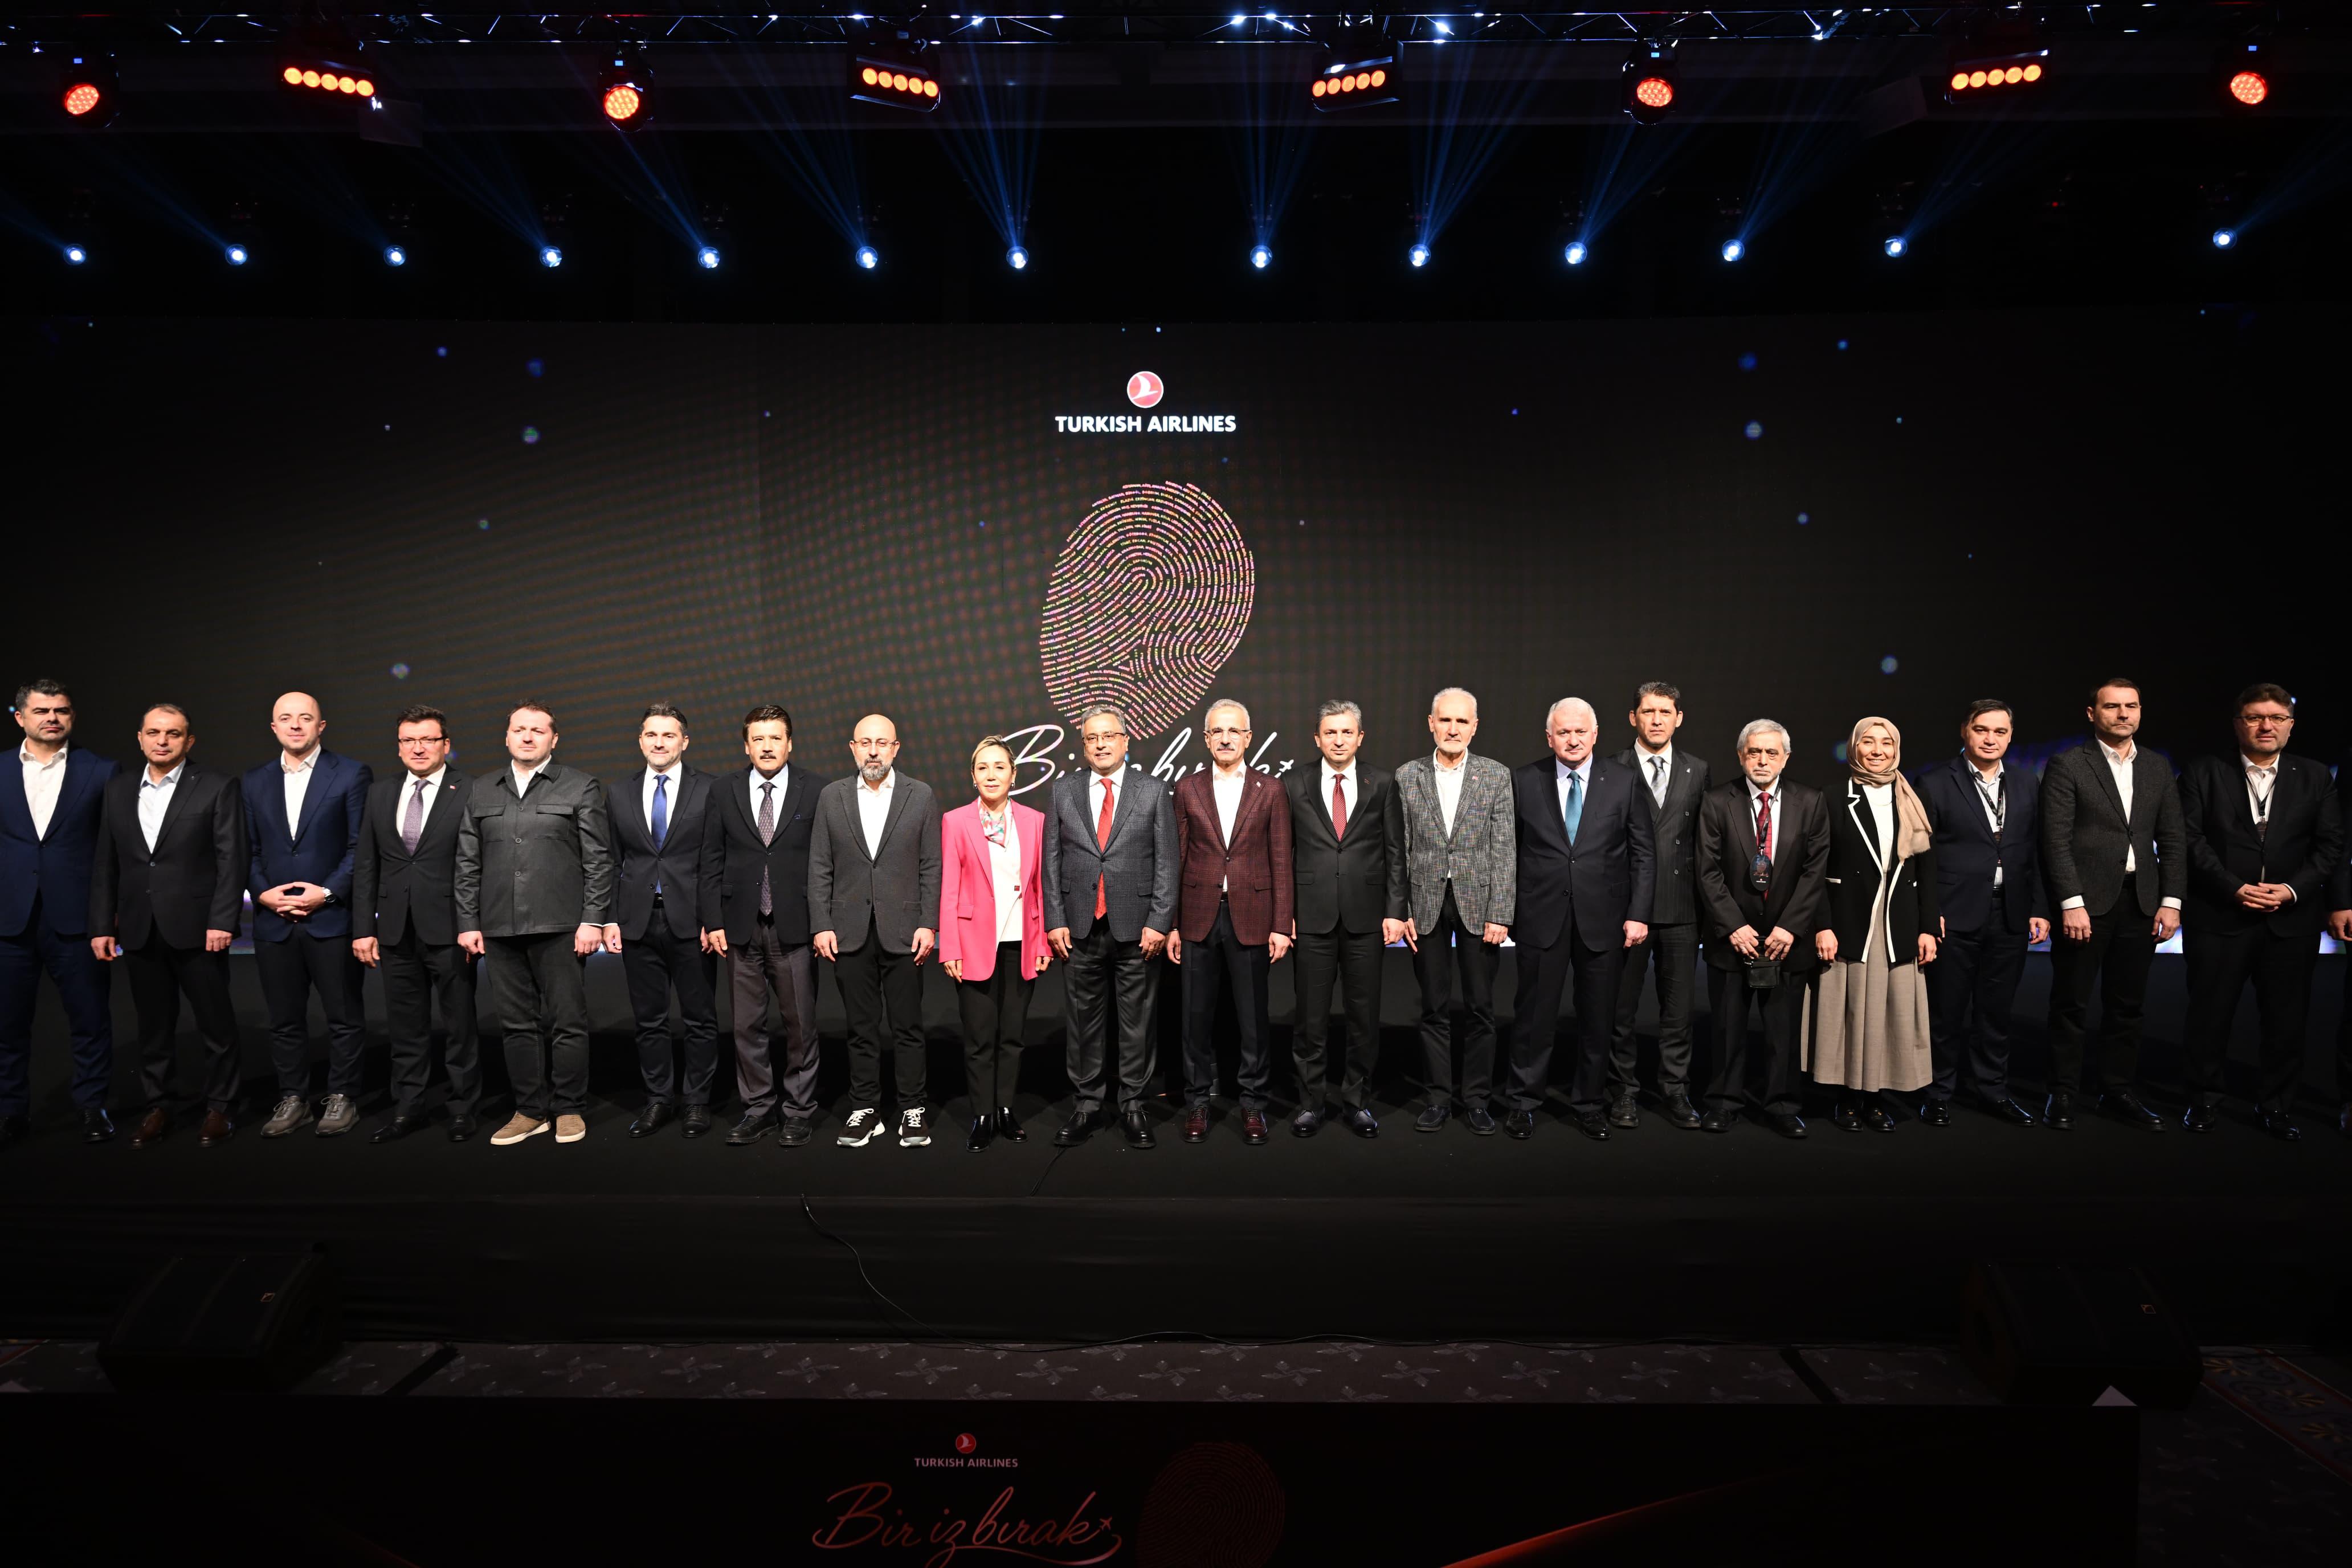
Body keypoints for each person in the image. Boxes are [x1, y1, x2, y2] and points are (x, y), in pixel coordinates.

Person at [2178, 684, 2343, 1141]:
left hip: (2291, 920)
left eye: (2276, 718)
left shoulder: (2315, 776)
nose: (2266, 726)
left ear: (2291, 726)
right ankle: (2203, 1100)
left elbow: (2330, 845)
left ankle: (2276, 1106)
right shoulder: (2204, 771)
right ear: (2238, 725)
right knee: (2209, 1016)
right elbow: (2189, 839)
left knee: (2286, 1022)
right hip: (2218, 915)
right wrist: (2233, 887)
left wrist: (2291, 890)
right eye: (2254, 717)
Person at [455, 701, 613, 1148]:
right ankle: (529, 1110)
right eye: (520, 729)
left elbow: (599, 860)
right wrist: (468, 921)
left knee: (567, 1023)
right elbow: (467, 862)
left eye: (538, 730)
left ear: (554, 739)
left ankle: (569, 1108)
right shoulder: (481, 789)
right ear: (507, 736)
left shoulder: (580, 786)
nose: (527, 737)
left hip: (561, 926)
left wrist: (593, 920)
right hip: (499, 928)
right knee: (516, 1026)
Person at [90, 704, 247, 1148]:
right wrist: (101, 924)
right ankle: (159, 1105)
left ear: (188, 741)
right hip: (139, 926)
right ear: (140, 738)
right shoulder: (118, 789)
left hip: (199, 928)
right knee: (154, 1028)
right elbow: (106, 862)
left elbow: (232, 859)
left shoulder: (217, 785)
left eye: (173, 734)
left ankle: (221, 1107)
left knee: (216, 1025)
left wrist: (223, 919)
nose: (163, 741)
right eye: (154, 733)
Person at [2038, 677, 2186, 1132]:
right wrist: (2071, 902)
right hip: (2085, 905)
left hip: (2141, 903)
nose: (2123, 714)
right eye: (2113, 706)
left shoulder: (2157, 766)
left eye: (2132, 706)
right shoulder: (2068, 764)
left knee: (2127, 1006)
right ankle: (2063, 1091)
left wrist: (2172, 901)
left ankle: (2117, 1090)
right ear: (2092, 714)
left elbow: (2173, 839)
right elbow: (2055, 840)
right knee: (2071, 1004)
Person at [1504, 697, 1654, 1141]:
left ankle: (1589, 1104)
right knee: (1533, 1016)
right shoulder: (1523, 780)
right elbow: (1508, 850)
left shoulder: (1624, 781)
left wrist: (1638, 914)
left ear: (1596, 734)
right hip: (1540, 917)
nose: (1573, 740)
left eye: (1581, 731)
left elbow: (1644, 854)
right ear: (1549, 737)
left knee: (1598, 1018)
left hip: (1605, 919)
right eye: (1564, 732)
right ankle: (1523, 1102)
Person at [1043, 704, 1177, 1150]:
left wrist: (1159, 921)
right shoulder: (1062, 791)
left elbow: (1167, 862)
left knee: (1137, 1023)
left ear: (1125, 741)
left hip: (1138, 930)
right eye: (1092, 738)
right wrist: (1055, 919)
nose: (1100, 745)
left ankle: (1134, 1104)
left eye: (1108, 736)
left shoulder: (1152, 790)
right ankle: (1086, 1105)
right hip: (1079, 927)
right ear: (1084, 745)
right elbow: (1051, 861)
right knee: (1083, 1022)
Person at [242, 692, 373, 1138]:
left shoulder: (351, 773)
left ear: (321, 726)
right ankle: (293, 1098)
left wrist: (328, 892)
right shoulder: (253, 781)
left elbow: (359, 846)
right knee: (284, 1020)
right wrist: (263, 894)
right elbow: (248, 849)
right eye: (286, 718)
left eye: (305, 718)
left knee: (344, 1017)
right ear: (274, 727)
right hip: (274, 921)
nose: (295, 725)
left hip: (331, 919)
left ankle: (342, 1096)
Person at [810, 713, 941, 1150]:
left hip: (905, 931)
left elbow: (931, 865)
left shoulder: (920, 795)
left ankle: (913, 1109)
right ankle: (865, 1108)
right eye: (865, 743)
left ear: (896, 748)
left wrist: (928, 922)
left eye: (882, 743)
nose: (873, 751)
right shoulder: (832, 797)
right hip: (848, 931)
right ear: (853, 748)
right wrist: (821, 924)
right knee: (860, 1028)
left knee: (908, 1027)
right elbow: (819, 866)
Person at [1695, 718, 1831, 1139]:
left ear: (1786, 758)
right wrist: (1733, 926)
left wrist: (1790, 928)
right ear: (1741, 756)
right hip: (1732, 939)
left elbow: (1815, 872)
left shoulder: (1811, 801)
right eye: (1754, 752)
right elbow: (1707, 870)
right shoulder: (1717, 801)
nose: (1762, 760)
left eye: (1772, 753)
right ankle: (1723, 1103)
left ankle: (1783, 1105)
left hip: (1787, 942)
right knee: (1727, 1029)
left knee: (1783, 1033)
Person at [1916, 700, 2049, 1128]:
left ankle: (1993, 1091)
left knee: (1996, 1012)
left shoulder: (2027, 782)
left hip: (2010, 914)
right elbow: (1921, 857)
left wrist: (2039, 907)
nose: (1991, 739)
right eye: (1982, 730)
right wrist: (1929, 912)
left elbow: (2036, 850)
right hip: (1953, 914)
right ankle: (1938, 1093)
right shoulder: (1935, 782)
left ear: (2010, 736)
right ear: (1965, 731)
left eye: (2000, 732)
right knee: (1946, 1012)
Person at [1169, 699, 1295, 1146]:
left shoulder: (1271, 789)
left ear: (1248, 737)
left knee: (1254, 1019)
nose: (1226, 739)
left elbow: (1282, 860)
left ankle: (1253, 1105)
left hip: (1254, 916)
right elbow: (1175, 859)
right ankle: (1197, 1102)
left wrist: (1282, 923)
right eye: (1217, 732)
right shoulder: (1187, 788)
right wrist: (1171, 924)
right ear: (1206, 739)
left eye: (1234, 731)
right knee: (1194, 1018)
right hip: (1197, 916)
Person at [352, 705, 481, 1142]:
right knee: (405, 1027)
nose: (418, 748)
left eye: (428, 739)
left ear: (446, 745)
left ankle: (462, 1109)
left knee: (460, 1025)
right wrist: (363, 928)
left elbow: (477, 863)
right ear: (399, 746)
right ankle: (409, 1108)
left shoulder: (470, 789)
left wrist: (473, 922)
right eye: (409, 740)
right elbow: (366, 865)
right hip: (394, 929)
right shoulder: (380, 793)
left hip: (451, 927)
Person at [1807, 717, 1940, 1134]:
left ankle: (1877, 1098)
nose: (1878, 750)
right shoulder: (1831, 797)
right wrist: (1822, 925)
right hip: (1850, 922)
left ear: (1897, 749)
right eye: (1868, 742)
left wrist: (1928, 927)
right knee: (1848, 1012)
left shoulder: (1913, 797)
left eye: (1887, 743)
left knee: (1889, 1013)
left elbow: (1927, 869)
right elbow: (1814, 869)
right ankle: (1847, 1098)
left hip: (1898, 923)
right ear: (1855, 748)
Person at [1282, 700, 1408, 1139]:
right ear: (1317, 739)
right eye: (1330, 733)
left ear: (1360, 737)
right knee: (1310, 1021)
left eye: (1347, 732)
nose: (1338, 740)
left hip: (1366, 919)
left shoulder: (1383, 783)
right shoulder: (1293, 782)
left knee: (1363, 1018)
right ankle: (1311, 1105)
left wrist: (1395, 911)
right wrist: (1285, 914)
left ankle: (1358, 1103)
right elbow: (1283, 853)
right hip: (1310, 917)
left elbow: (1395, 851)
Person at [2, 679, 119, 1148]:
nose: (53, 718)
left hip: (78, 921)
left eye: (62, 711)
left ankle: (92, 1107)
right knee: (7, 1026)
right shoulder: (0, 769)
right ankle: (10, 1112)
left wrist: (108, 917)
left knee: (90, 1020)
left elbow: (113, 852)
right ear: (20, 718)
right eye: (42, 711)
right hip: (9, 919)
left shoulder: (102, 771)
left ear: (72, 716)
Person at [1395, 687, 1516, 1136]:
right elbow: (1400, 849)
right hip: (1424, 905)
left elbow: (1505, 848)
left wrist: (1501, 911)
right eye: (1445, 720)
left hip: (1480, 905)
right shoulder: (1407, 776)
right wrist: (1403, 908)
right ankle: (1438, 1099)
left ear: (1474, 727)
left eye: (1461, 721)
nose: (1452, 729)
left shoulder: (1495, 775)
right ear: (1431, 724)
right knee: (1434, 1007)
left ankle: (1478, 1099)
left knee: (1481, 1007)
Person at [603, 703, 725, 1140]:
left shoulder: (710, 789)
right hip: (637, 922)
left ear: (684, 742)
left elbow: (716, 861)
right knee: (649, 1020)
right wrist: (610, 918)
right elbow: (612, 860)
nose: (659, 743)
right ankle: (658, 1100)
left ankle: (696, 1102)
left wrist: (713, 919)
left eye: (669, 735)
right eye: (651, 735)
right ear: (641, 741)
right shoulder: (618, 792)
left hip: (693, 922)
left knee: (699, 1018)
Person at [708, 704, 824, 1148]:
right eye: (759, 739)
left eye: (776, 738)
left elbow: (825, 862)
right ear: (746, 746)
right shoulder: (724, 790)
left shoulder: (817, 789)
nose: (768, 746)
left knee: (801, 1025)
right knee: (746, 1027)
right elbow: (711, 858)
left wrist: (823, 922)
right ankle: (758, 1109)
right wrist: (712, 920)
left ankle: (798, 1111)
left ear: (790, 743)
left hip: (795, 925)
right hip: (740, 926)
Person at [1608, 681, 1710, 1130]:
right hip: (1626, 910)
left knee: (1678, 1011)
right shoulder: (1612, 767)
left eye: (1665, 712)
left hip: (1682, 909)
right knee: (1621, 1010)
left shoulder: (1698, 770)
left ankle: (1675, 1090)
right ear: (1633, 717)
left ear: (1678, 718)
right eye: (1648, 711)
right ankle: (1623, 1092)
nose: (1656, 720)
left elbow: (1704, 842)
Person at [939, 736, 1048, 1151]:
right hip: (972, 944)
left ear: (1013, 775)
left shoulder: (1035, 820)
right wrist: (950, 947)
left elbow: (1040, 888)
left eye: (999, 767)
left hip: (1022, 941)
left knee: (1013, 1036)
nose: (991, 775)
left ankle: (1005, 1110)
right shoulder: (955, 821)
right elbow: (949, 889)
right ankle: (982, 1115)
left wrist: (1042, 943)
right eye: (983, 767)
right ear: (973, 776)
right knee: (980, 1038)